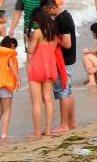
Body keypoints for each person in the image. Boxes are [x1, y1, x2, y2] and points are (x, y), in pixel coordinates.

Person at [26, 7, 64, 138]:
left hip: (37, 67)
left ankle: (37, 132)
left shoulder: (37, 32)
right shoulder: (53, 32)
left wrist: (28, 40)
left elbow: (30, 50)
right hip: (49, 66)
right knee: (48, 99)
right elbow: (52, 49)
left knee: (36, 102)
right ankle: (47, 130)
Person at [42, 0, 76, 133]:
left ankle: (64, 125)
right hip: (68, 59)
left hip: (64, 60)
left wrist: (55, 39)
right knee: (68, 91)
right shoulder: (65, 15)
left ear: (52, 8)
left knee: (63, 91)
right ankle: (71, 122)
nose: (46, 14)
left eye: (46, 11)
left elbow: (67, 44)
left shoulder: (62, 20)